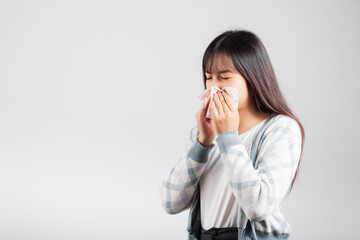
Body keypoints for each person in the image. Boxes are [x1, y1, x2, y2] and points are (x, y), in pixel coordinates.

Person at [159, 29, 305, 240]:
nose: (214, 88)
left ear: (253, 77)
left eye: (224, 77)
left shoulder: (281, 129)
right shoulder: (203, 133)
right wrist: (203, 143)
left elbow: (258, 206)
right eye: (209, 78)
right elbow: (171, 203)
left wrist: (227, 136)